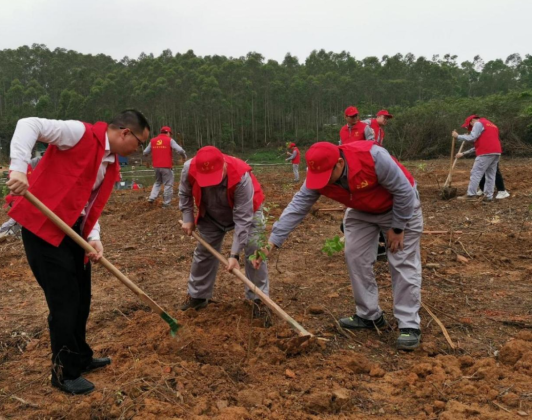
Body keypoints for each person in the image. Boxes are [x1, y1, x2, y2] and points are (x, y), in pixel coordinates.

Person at [6, 110, 151, 395]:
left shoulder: (109, 163)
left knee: (82, 297)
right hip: (43, 229)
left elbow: (88, 201)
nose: (139, 150)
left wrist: (94, 238)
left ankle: (80, 356)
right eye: (139, 143)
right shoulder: (79, 133)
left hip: (74, 231)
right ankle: (64, 373)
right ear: (125, 132)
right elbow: (28, 124)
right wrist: (19, 169)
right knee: (65, 300)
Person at [253, 141, 424, 350]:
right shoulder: (318, 174)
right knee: (355, 257)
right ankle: (369, 315)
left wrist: (397, 227)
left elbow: (404, 191)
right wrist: (272, 242)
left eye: (327, 176)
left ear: (340, 163)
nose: (322, 182)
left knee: (402, 260)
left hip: (399, 207)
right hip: (361, 210)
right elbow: (298, 205)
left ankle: (409, 324)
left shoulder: (374, 157)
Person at [179, 146, 270, 318]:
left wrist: (234, 255)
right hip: (211, 211)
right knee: (204, 251)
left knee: (254, 249)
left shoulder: (241, 175)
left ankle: (258, 300)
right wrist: (188, 218)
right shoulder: (188, 168)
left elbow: (243, 219)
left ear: (224, 166)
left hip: (248, 211)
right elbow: (185, 193)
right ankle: (198, 296)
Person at [452, 115, 502, 201]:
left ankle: (471, 195)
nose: (471, 128)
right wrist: (463, 153)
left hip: (485, 152)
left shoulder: (478, 123)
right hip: (496, 152)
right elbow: (479, 145)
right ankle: (488, 196)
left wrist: (458, 136)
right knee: (490, 175)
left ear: (472, 121)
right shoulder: (492, 125)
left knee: (475, 173)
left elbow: (472, 137)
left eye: (469, 126)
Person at [144, 126, 187, 208]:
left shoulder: (153, 140)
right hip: (166, 166)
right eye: (170, 134)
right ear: (168, 133)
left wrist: (147, 155)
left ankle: (152, 197)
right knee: (168, 184)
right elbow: (180, 150)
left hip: (156, 166)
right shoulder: (169, 140)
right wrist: (184, 156)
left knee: (157, 182)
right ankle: (166, 203)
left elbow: (145, 152)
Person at [0, 157, 41, 239]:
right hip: (20, 199)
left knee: (19, 219)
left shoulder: (29, 166)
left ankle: (17, 234)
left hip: (25, 199)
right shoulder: (19, 170)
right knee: (16, 219)